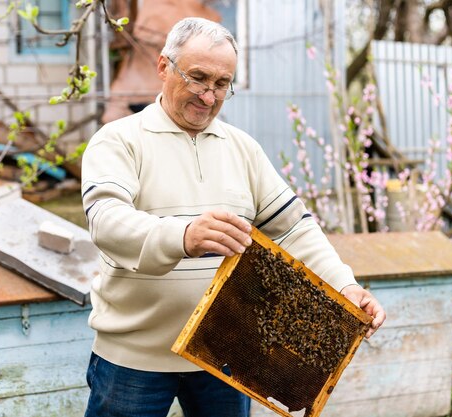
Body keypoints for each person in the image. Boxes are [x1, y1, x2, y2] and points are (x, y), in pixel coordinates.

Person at [81, 16, 386, 417]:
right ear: (163, 67)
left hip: (225, 352)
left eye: (222, 84)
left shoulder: (243, 148)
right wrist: (183, 236)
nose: (209, 96)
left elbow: (293, 229)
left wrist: (345, 286)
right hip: (133, 359)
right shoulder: (118, 140)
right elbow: (106, 222)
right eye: (197, 78)